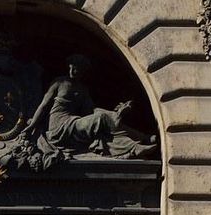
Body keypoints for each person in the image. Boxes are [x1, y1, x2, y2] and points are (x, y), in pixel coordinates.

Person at [23, 53, 157, 160]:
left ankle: (135, 146)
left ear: (83, 70)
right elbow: (44, 105)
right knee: (102, 119)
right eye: (70, 66)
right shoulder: (59, 82)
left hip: (73, 124)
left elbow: (92, 110)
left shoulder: (83, 89)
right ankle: (141, 138)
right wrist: (32, 125)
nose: (72, 70)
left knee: (104, 122)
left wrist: (114, 113)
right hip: (58, 127)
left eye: (76, 67)